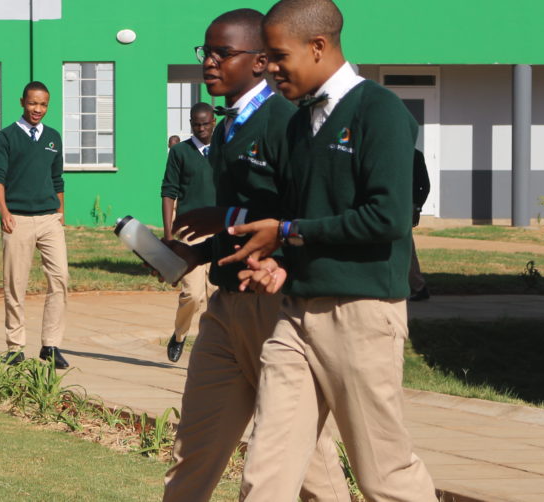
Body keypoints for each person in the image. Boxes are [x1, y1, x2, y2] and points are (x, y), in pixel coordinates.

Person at [220, 0, 438, 500]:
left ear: (318, 46)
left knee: (384, 476)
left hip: (362, 313)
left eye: (280, 56)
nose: (271, 69)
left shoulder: (380, 111)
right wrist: (279, 263)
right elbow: (304, 214)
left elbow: (387, 218)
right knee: (267, 471)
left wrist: (288, 232)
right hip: (295, 315)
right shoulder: (299, 123)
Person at [160, 9, 351, 502]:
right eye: (206, 52)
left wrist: (225, 215)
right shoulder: (226, 129)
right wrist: (195, 255)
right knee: (194, 448)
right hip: (226, 309)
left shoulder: (286, 122)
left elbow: (301, 211)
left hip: (275, 309)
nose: (209, 62)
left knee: (302, 462)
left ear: (260, 61)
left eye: (223, 53)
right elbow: (237, 224)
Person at [0, 81, 70, 370]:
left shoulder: (53, 137)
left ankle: (51, 345)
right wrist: (4, 212)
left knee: (60, 278)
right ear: (22, 102)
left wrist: (60, 213)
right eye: (33, 103)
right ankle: (15, 346)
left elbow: (57, 179)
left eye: (43, 104)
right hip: (17, 219)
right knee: (15, 284)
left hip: (49, 219)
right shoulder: (6, 137)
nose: (38, 109)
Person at [161, 102, 217, 363]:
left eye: (205, 124)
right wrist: (169, 236)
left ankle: (215, 348)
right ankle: (180, 334)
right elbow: (168, 192)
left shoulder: (225, 151)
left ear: (213, 123)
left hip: (220, 231)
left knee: (216, 295)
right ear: (191, 124)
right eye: (196, 124)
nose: (201, 128)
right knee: (193, 294)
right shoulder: (180, 152)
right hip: (190, 232)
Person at [409, 149, 431, 301]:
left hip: (405, 207)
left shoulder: (414, 155)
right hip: (398, 206)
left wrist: (417, 207)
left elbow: (425, 185)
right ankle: (418, 286)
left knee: (405, 247)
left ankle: (419, 286)